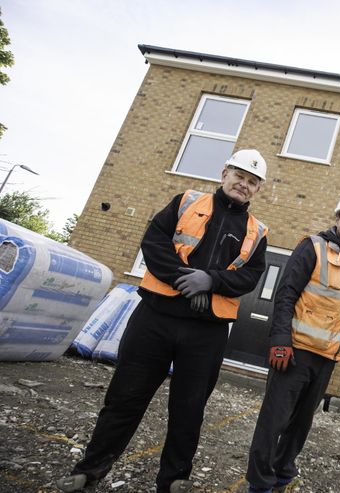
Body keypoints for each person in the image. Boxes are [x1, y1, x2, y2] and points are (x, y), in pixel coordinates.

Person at [56, 149, 269, 493]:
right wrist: (184, 281)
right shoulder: (185, 202)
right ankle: (89, 470)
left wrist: (211, 281)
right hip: (156, 318)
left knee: (189, 410)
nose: (244, 184)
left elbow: (250, 277)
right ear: (224, 173)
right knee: (125, 398)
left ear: (258, 189)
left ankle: (173, 481)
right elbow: (154, 242)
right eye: (239, 176)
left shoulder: (256, 231)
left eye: (252, 181)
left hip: (207, 330)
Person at [245, 193, 340, 493]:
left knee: (301, 424)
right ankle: (259, 483)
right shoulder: (312, 247)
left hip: (327, 358)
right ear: (337, 219)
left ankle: (282, 471)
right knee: (273, 421)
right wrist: (279, 340)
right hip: (295, 353)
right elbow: (286, 293)